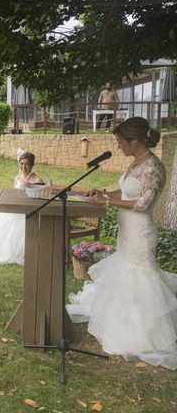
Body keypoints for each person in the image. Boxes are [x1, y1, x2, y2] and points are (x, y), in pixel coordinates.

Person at [67, 117, 177, 369]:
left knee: (140, 277)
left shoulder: (154, 167)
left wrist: (106, 202)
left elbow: (143, 203)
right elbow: (127, 194)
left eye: (120, 142)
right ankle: (120, 325)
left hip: (141, 232)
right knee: (124, 274)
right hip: (127, 230)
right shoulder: (135, 163)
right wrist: (104, 193)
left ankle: (142, 335)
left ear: (134, 140)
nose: (118, 147)